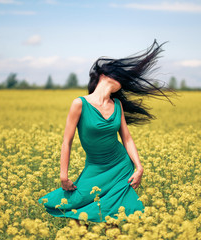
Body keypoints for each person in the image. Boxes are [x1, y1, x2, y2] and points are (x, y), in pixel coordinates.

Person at [39, 40, 176, 223]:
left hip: (121, 167)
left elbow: (127, 138)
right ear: (103, 75)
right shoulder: (80, 104)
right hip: (95, 168)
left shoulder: (117, 105)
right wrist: (63, 174)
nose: (123, 82)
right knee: (78, 214)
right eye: (120, 76)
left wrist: (139, 167)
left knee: (114, 219)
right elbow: (67, 141)